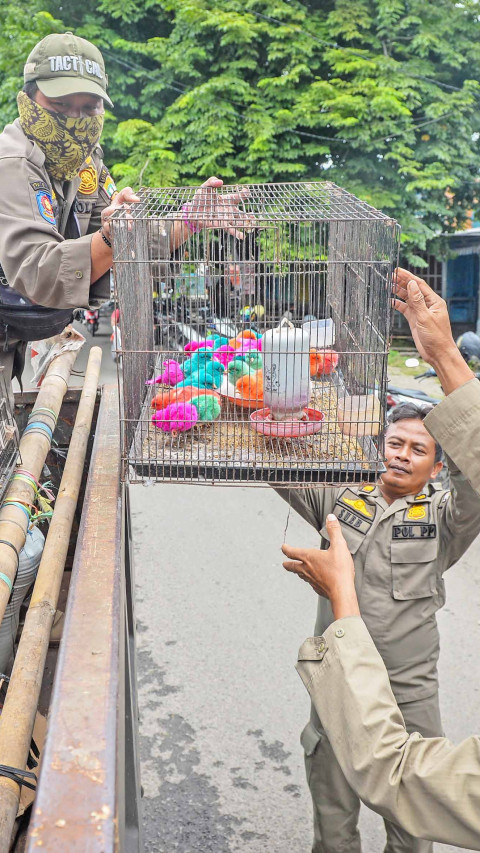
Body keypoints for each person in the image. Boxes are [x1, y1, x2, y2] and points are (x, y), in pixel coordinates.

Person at [275, 270, 480, 853]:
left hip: (409, 693)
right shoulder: (342, 501)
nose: (403, 455)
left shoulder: (445, 518)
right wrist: (275, 402)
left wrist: (443, 358)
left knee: (413, 828)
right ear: (380, 447)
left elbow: (477, 481)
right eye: (396, 444)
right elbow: (277, 465)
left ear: (437, 466)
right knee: (333, 825)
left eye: (419, 449)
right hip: (341, 688)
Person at [0, 31, 247, 404]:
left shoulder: (86, 162)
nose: (75, 119)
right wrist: (110, 238)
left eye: (88, 108)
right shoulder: (13, 164)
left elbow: (120, 236)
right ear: (29, 98)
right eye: (60, 104)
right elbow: (39, 272)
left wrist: (190, 219)